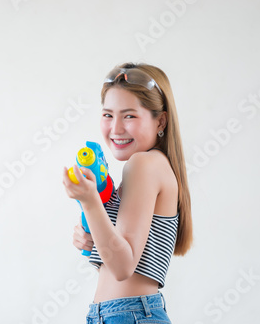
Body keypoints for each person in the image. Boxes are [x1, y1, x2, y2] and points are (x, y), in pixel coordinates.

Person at [62, 62, 193, 324]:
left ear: (161, 121)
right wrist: (89, 237)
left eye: (129, 116)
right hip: (120, 314)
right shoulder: (150, 167)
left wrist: (90, 202)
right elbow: (118, 251)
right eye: (108, 115)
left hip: (128, 314)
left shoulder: (144, 164)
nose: (116, 128)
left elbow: (123, 267)